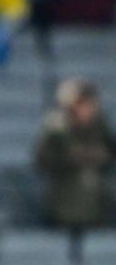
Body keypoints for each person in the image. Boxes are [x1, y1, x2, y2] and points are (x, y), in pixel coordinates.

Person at [34, 79, 116, 237]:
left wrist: (101, 156)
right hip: (63, 206)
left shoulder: (101, 127)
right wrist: (73, 157)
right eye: (79, 104)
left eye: (87, 103)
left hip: (98, 206)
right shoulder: (57, 129)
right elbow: (42, 160)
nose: (84, 109)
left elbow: (110, 153)